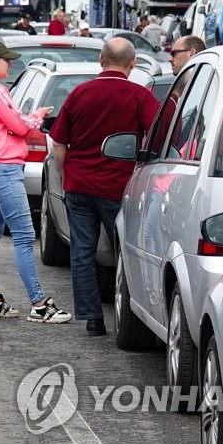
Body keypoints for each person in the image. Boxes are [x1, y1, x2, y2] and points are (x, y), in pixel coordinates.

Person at [0, 38, 74, 324]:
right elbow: (20, 125)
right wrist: (38, 115)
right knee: (23, 236)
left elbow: (9, 126)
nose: (10, 64)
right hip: (3, 168)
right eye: (5, 60)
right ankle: (39, 304)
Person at [49, 38, 159, 337]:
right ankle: (130, 313)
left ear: (101, 59)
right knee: (125, 252)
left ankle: (92, 318)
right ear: (132, 63)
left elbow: (59, 143)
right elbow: (158, 140)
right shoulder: (140, 96)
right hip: (119, 189)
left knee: (82, 252)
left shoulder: (78, 94)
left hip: (79, 186)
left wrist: (67, 174)